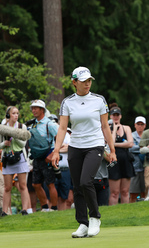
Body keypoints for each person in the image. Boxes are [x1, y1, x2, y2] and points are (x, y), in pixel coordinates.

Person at [52, 66, 116, 238]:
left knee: (86, 181)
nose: (87, 84)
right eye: (83, 81)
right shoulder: (67, 102)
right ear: (74, 82)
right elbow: (63, 128)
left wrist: (112, 150)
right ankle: (83, 223)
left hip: (95, 145)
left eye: (89, 80)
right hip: (75, 146)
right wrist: (56, 150)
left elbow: (105, 127)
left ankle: (95, 217)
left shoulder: (99, 100)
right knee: (77, 186)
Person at [0, 106, 31, 216]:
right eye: (13, 113)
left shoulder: (22, 126)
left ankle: (25, 209)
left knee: (22, 185)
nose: (16, 115)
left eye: (17, 113)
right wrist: (4, 144)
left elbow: (23, 143)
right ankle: (4, 212)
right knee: (7, 187)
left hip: (20, 157)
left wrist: (15, 134)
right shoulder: (3, 127)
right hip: (7, 158)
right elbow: (0, 144)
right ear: (8, 115)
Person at [29, 99, 59, 212]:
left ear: (42, 110)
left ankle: (54, 208)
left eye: (36, 108)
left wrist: (52, 154)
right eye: (33, 108)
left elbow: (59, 140)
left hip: (48, 157)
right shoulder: (33, 124)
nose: (33, 110)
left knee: (50, 183)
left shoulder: (49, 124)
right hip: (37, 157)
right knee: (35, 184)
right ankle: (45, 207)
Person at [108, 105, 134, 205]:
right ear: (110, 116)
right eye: (114, 115)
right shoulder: (107, 129)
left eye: (117, 115)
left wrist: (115, 144)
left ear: (120, 116)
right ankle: (113, 212)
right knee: (114, 192)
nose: (116, 117)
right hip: (114, 162)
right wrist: (114, 129)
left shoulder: (126, 128)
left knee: (125, 191)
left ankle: (125, 211)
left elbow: (131, 144)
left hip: (125, 161)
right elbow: (111, 142)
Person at [129, 116, 146, 203]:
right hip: (134, 167)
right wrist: (144, 148)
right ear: (135, 125)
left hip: (145, 167)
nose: (140, 126)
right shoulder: (131, 135)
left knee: (145, 192)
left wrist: (138, 148)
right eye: (138, 124)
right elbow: (130, 148)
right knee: (133, 193)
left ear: (145, 125)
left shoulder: (147, 135)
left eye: (141, 124)